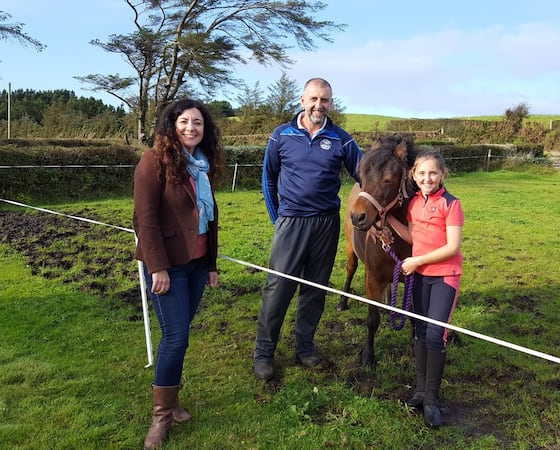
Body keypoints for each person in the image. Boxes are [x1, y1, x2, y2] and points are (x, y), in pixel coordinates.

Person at [253, 78, 364, 381]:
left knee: (315, 289)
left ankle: (305, 348)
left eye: (325, 100)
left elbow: (366, 172)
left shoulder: (341, 139)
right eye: (313, 99)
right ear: (302, 100)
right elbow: (268, 179)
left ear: (331, 103)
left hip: (326, 223)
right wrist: (279, 219)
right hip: (291, 222)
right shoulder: (281, 136)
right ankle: (264, 353)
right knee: (278, 289)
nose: (319, 105)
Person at [133, 98, 226, 449]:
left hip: (198, 264)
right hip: (167, 267)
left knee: (181, 334)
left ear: (206, 130)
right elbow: (145, 220)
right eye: (184, 121)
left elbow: (209, 220)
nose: (191, 128)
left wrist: (212, 265)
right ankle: (160, 417)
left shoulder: (202, 165)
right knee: (176, 337)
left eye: (198, 123)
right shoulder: (153, 161)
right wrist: (157, 267)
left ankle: (170, 404)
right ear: (172, 125)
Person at [384, 150, 463, 428]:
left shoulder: (451, 204)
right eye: (422, 173)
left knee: (434, 336)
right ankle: (419, 392)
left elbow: (452, 246)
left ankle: (432, 399)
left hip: (444, 277)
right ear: (413, 176)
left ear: (442, 175)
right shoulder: (415, 204)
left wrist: (417, 260)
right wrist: (387, 221)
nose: (427, 178)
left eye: (433, 173)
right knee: (418, 333)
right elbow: (412, 236)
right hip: (419, 277)